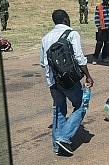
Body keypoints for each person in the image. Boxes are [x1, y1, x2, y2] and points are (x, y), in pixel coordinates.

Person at [40, 9, 93, 156]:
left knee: (58, 109)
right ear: (65, 19)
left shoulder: (46, 38)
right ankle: (64, 137)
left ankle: (58, 146)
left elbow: (42, 63)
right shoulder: (72, 34)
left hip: (53, 81)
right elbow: (80, 57)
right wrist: (88, 76)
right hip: (68, 80)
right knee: (81, 104)